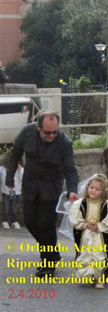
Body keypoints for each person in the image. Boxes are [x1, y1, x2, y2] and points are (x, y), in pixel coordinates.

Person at [6, 111, 79, 277]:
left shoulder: (64, 142)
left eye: (55, 131)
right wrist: (9, 177)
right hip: (30, 183)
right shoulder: (27, 132)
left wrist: (72, 190)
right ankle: (52, 253)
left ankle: (48, 263)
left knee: (46, 223)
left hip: (51, 185)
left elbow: (70, 168)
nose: (52, 135)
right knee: (30, 222)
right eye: (48, 132)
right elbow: (15, 153)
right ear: (39, 128)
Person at [69, 174, 108, 289]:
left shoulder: (106, 205)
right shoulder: (81, 203)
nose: (93, 191)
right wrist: (85, 224)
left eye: (97, 189)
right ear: (87, 188)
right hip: (86, 235)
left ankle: (100, 278)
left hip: (99, 236)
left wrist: (99, 226)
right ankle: (90, 275)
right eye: (91, 188)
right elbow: (75, 218)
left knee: (100, 255)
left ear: (103, 192)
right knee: (86, 253)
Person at [1, 154, 24, 229]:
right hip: (6, 191)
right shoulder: (3, 168)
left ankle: (15, 221)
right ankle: (5, 221)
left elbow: (23, 179)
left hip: (16, 191)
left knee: (15, 207)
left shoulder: (20, 169)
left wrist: (19, 169)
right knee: (6, 207)